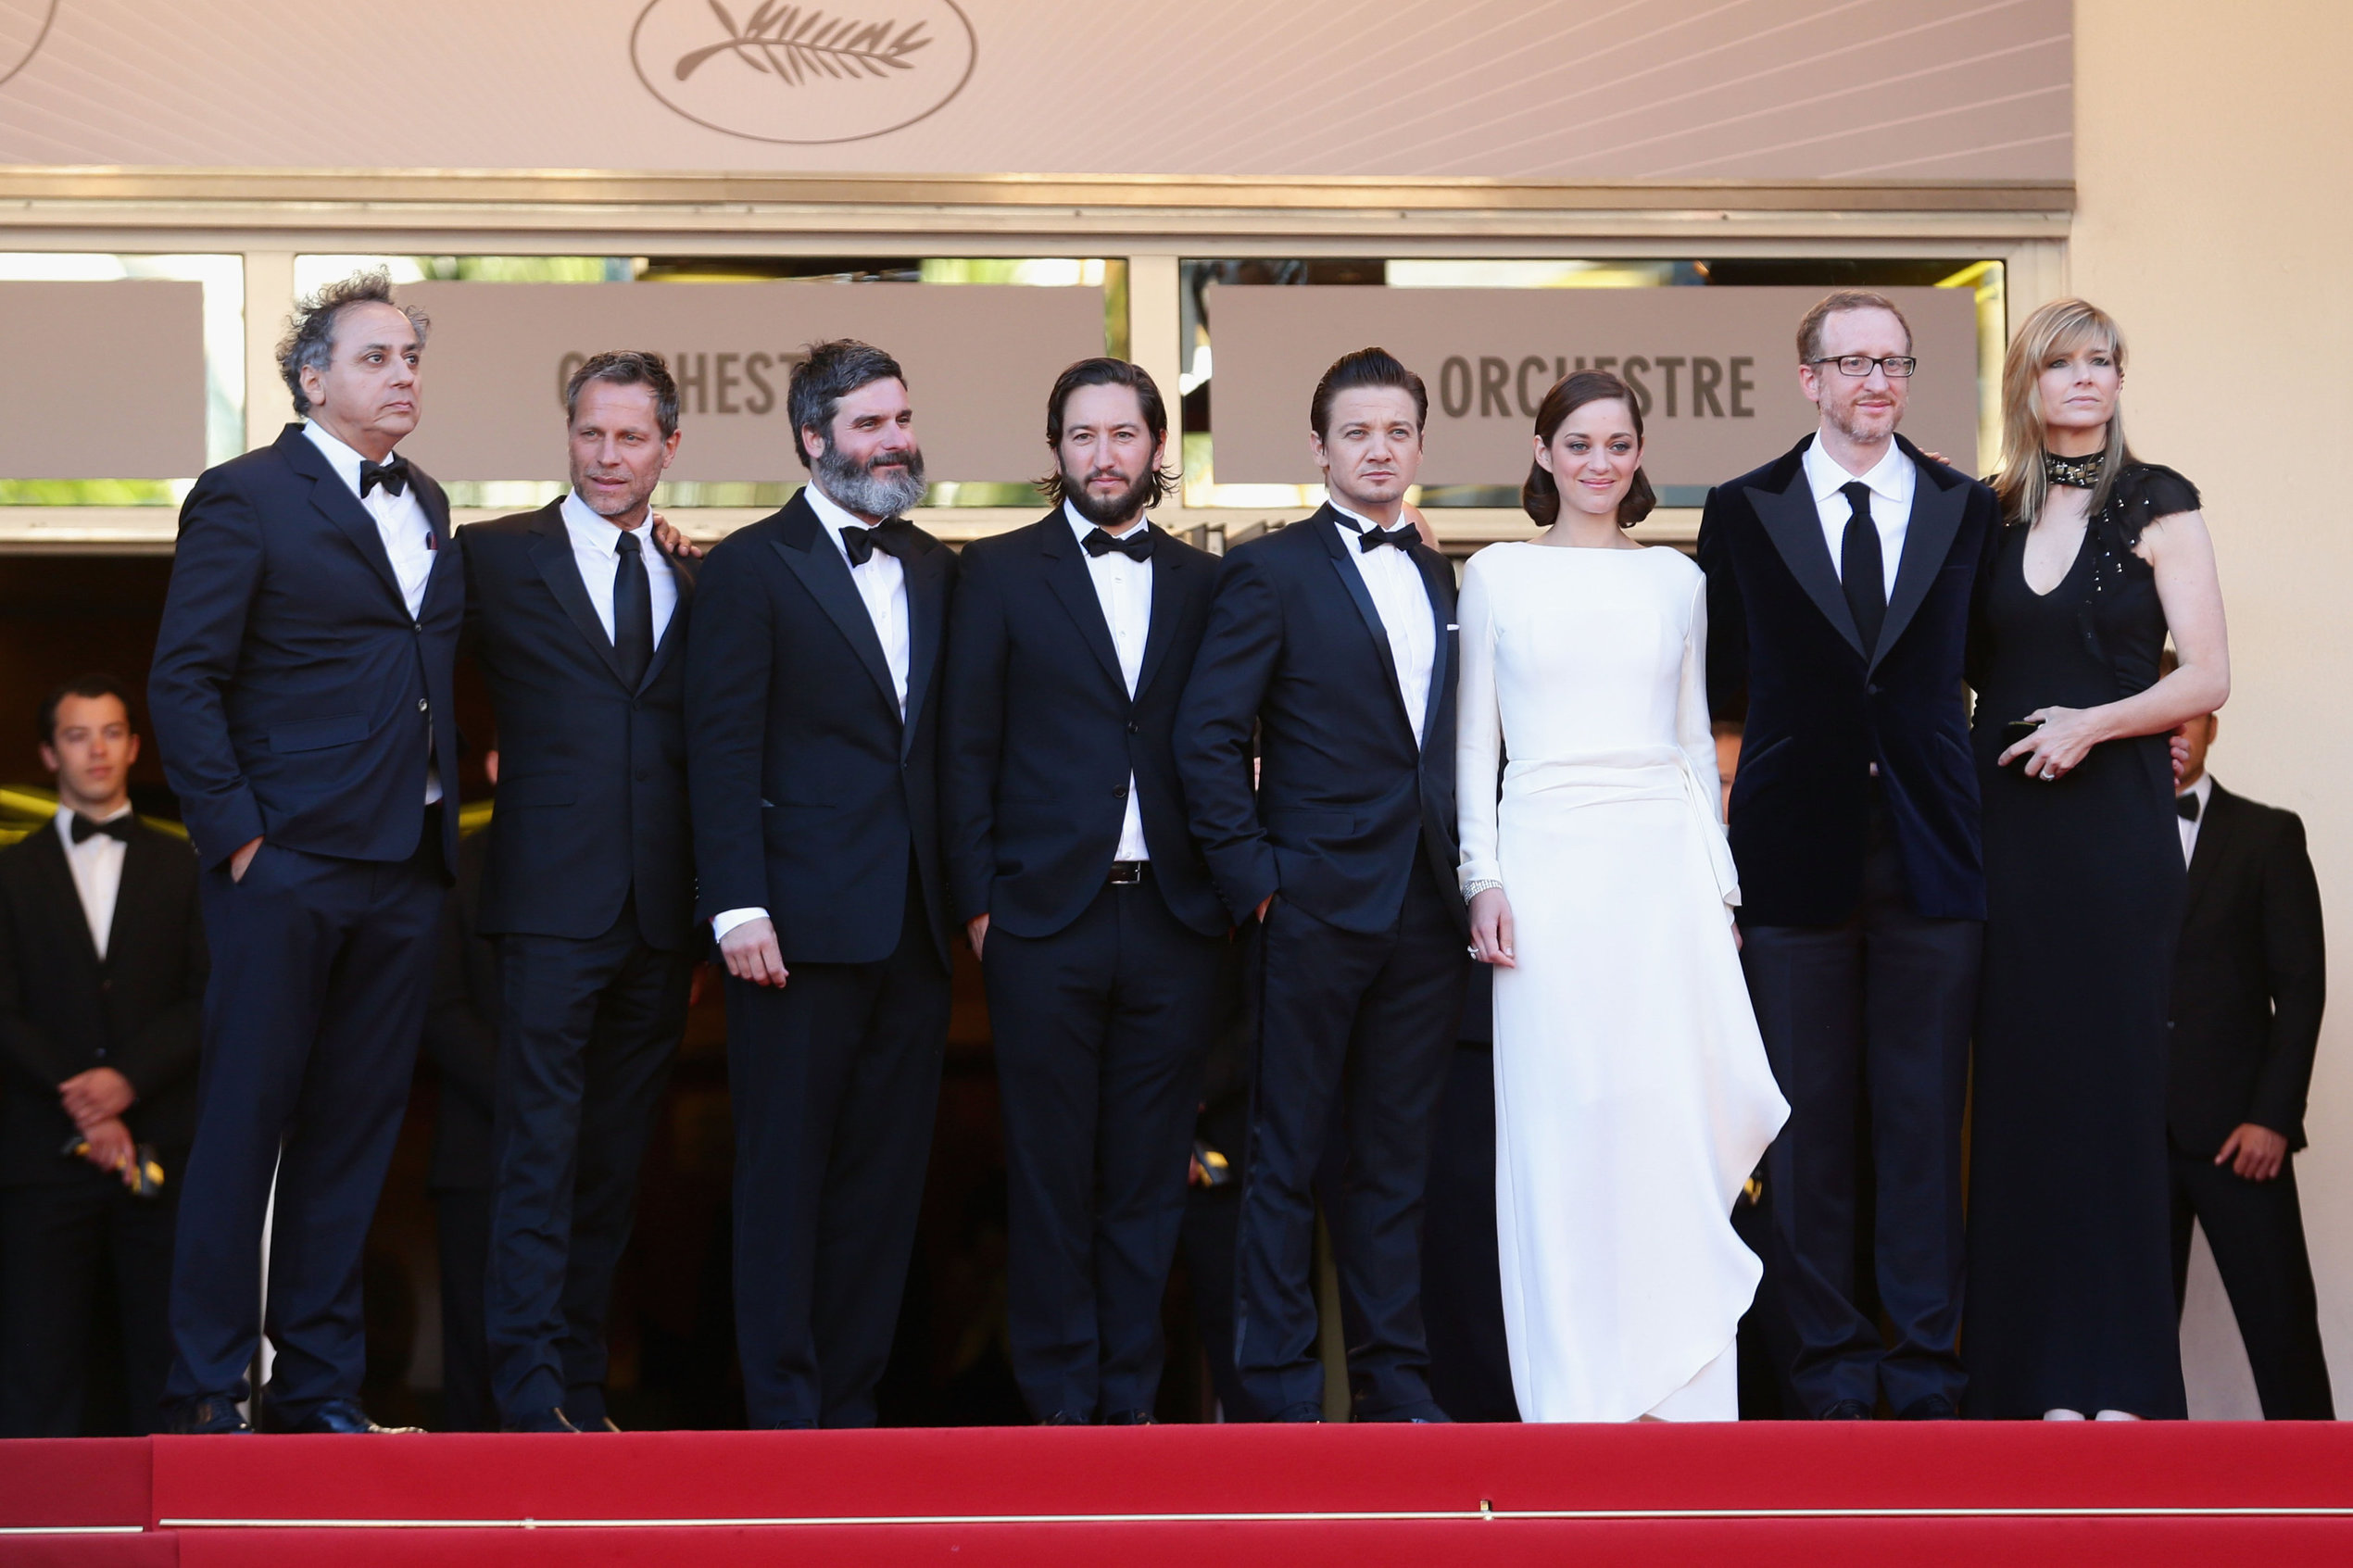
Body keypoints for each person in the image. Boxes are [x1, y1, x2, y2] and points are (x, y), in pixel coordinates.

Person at [148, 270, 460, 1436]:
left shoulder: (429, 499)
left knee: (352, 1135)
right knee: (243, 1128)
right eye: (376, 357)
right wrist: (238, 840)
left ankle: (318, 1388)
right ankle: (203, 1389)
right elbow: (185, 678)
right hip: (286, 866)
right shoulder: (244, 495)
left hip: (405, 869)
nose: (402, 376)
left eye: (411, 358)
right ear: (312, 377)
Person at [1460, 370, 1786, 1422]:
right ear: (1544, 452)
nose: (1598, 462)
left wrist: (1719, 890)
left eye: (1617, 444)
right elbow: (1476, 748)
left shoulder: (1675, 583)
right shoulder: (1496, 573)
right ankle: (1574, 1392)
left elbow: (1694, 744)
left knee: (1663, 1115)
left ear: (1637, 456)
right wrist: (1483, 878)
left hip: (1661, 873)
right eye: (1579, 443)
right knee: (1565, 1118)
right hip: (1545, 863)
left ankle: (1681, 1384)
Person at [1698, 290, 2001, 1422]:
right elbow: (1717, 684)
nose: (1874, 382)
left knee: (1924, 1123)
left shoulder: (1965, 510)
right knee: (1806, 1125)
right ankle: (1825, 1368)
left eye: (1893, 363)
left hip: (1931, 853)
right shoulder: (1742, 509)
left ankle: (1923, 1365)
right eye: (1851, 363)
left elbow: (1976, 667)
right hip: (1789, 855)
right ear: (1807, 379)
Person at [1176, 346, 1467, 1424]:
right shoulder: (1271, 568)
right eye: (1357, 432)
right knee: (1280, 1160)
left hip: (1424, 911)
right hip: (1306, 907)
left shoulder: (1445, 572)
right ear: (1319, 448)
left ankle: (1395, 1389)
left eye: (1395, 432)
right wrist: (1259, 882)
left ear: (1417, 445)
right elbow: (1205, 736)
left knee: (1394, 1163)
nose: (1377, 449)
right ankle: (1279, 1400)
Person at [942, 358, 1226, 1425]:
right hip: (1039, 921)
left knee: (1150, 1177)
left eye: (1121, 435)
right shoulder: (998, 572)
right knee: (1051, 1173)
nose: (1102, 455)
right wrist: (981, 906)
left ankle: (1130, 1405)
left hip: (1173, 918)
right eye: (1081, 435)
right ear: (1053, 448)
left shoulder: (1206, 583)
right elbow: (963, 747)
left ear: (1157, 448)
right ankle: (1060, 1407)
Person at [1965, 297, 2230, 1422]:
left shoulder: (2158, 501)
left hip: (2113, 838)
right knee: (2022, 1102)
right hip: (2004, 840)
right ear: (2025, 382)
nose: (2084, 380)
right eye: (2062, 363)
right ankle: (2028, 1385)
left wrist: (2091, 723)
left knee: (2114, 1098)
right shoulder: (1982, 513)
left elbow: (2205, 677)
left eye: (2101, 363)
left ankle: (2117, 1382)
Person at [686, 339, 957, 1429]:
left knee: (884, 1190)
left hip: (914, 930)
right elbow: (718, 743)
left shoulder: (938, 565)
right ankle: (785, 1418)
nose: (893, 440)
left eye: (899, 417)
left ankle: (851, 1411)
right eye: (867, 424)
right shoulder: (749, 566)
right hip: (789, 929)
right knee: (783, 1182)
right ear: (812, 439)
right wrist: (736, 902)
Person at [459, 350, 700, 1434]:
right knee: (535, 1152)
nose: (609, 457)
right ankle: (520, 1393)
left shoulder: (700, 578)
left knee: (610, 1165)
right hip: (547, 908)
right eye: (591, 435)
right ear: (569, 435)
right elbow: (396, 670)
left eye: (631, 437)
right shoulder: (493, 556)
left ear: (669, 448)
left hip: (659, 918)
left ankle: (575, 1382)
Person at [0, 676, 206, 1436]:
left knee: (168, 1353)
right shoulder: (8, 871)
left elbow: (209, 995)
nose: (97, 749)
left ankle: (170, 1533)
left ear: (135, 746)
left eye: (113, 732)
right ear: (50, 752)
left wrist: (126, 1081)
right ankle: (32, 1538)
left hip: (166, 1145)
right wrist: (84, 1096)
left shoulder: (186, 864)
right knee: (35, 1354)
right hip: (40, 1156)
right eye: (79, 734)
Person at [2166, 695, 2331, 1418]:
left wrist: (2272, 1116)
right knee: (2129, 1351)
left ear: (2211, 727)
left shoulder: (2268, 835)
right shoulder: (2103, 844)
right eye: (2155, 717)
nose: (2172, 732)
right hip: (2134, 1142)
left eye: (2186, 716)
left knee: (2283, 1332)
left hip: (2241, 1134)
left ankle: (2328, 1510)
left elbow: (2301, 989)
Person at [420, 811, 498, 1433]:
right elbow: (440, 1007)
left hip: (584, 1143)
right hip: (479, 1143)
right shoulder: (456, 865)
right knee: (473, 1342)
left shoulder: (599, 854)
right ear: (496, 764)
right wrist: (532, 1102)